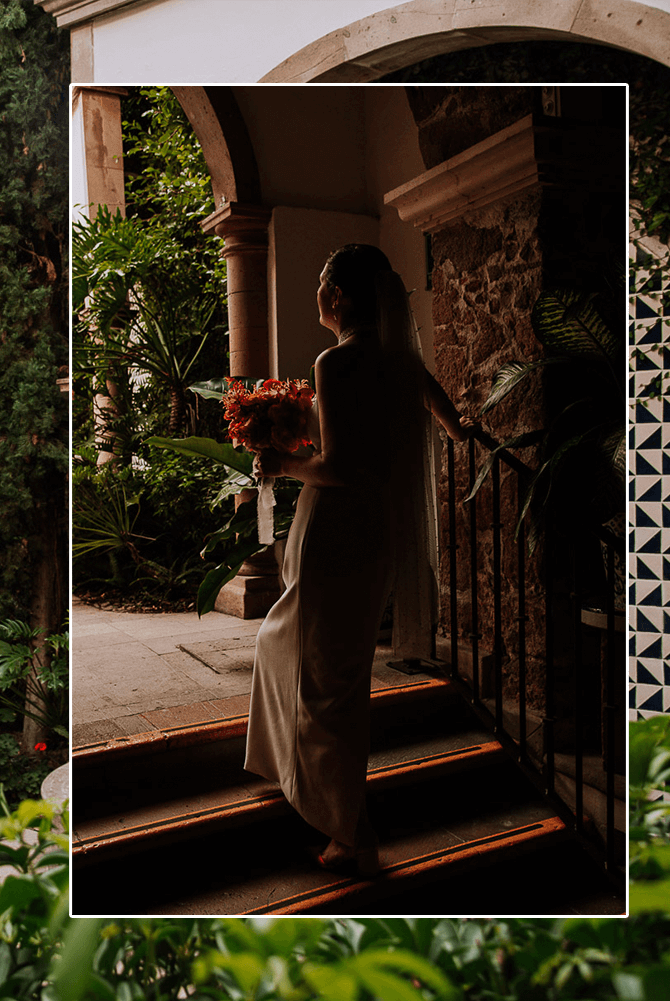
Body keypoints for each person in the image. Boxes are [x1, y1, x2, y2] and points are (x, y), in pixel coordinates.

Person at [244, 243, 473, 877]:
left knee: (328, 685)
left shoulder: (336, 362)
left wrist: (282, 463)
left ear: (338, 296)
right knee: (288, 647)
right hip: (377, 535)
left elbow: (338, 466)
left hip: (337, 531)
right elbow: (440, 410)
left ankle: (350, 830)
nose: (318, 292)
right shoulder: (402, 361)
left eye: (322, 283)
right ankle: (286, 769)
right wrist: (457, 431)